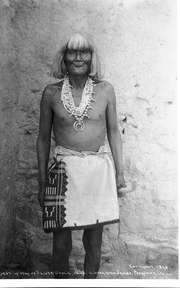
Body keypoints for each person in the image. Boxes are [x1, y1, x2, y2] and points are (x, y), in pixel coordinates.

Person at [37, 32, 126, 279]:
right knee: (60, 244)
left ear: (91, 57)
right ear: (63, 58)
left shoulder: (106, 90)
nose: (78, 58)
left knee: (93, 242)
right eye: (72, 52)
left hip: (97, 171)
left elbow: (113, 133)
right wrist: (42, 182)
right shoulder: (51, 94)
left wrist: (120, 175)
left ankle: (90, 284)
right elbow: (43, 139)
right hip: (63, 172)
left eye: (84, 52)